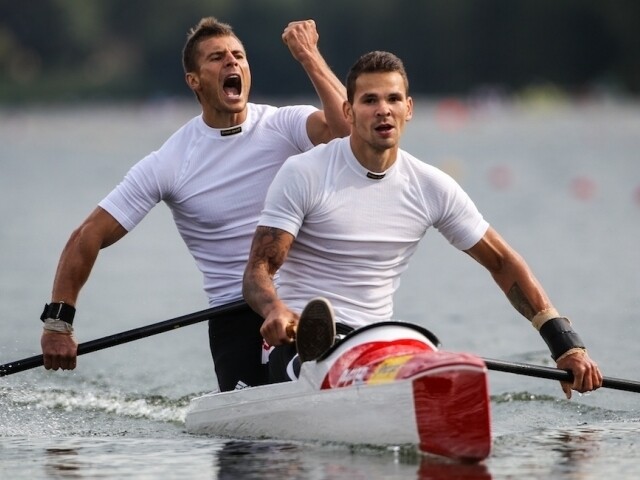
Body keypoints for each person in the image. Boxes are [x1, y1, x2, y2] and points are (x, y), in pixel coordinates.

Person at [242, 50, 603, 398]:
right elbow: (259, 269)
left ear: (408, 109)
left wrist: (565, 344)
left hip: (375, 345)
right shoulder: (305, 173)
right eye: (370, 100)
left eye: (393, 99)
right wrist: (274, 309)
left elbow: (502, 262)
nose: (383, 109)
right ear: (348, 112)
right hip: (302, 341)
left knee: (438, 369)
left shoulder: (431, 186)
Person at [39, 17, 350, 392]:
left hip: (306, 302)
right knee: (249, 445)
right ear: (194, 80)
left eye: (239, 56)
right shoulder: (171, 161)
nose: (232, 63)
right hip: (235, 316)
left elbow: (350, 132)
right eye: (217, 58)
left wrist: (308, 55)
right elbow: (88, 235)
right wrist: (58, 323)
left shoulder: (285, 124)